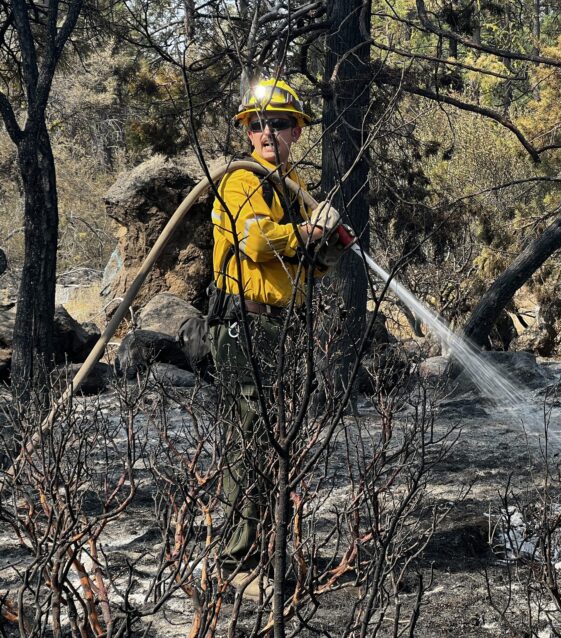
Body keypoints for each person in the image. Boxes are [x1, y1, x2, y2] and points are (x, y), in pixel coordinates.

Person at [208, 78, 343, 585]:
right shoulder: (241, 181)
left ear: (297, 132)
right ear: (247, 132)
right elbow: (259, 244)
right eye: (258, 124)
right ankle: (237, 563)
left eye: (280, 123)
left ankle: (267, 552)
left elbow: (306, 270)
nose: (268, 132)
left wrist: (329, 243)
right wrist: (309, 231)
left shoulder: (292, 194)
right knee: (251, 441)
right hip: (244, 325)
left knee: (276, 443)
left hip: (282, 329)